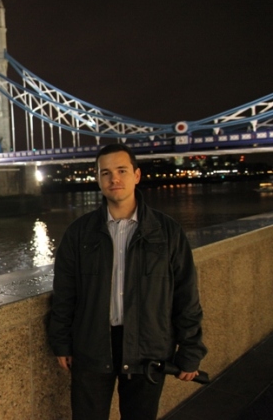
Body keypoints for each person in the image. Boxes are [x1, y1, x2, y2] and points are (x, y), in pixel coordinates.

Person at [47, 143, 207, 420]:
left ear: (137, 175)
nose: (114, 179)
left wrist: (191, 350)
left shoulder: (168, 232)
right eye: (105, 173)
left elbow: (185, 294)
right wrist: (61, 342)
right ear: (98, 179)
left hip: (148, 349)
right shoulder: (78, 233)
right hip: (91, 346)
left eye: (121, 170)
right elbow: (64, 293)